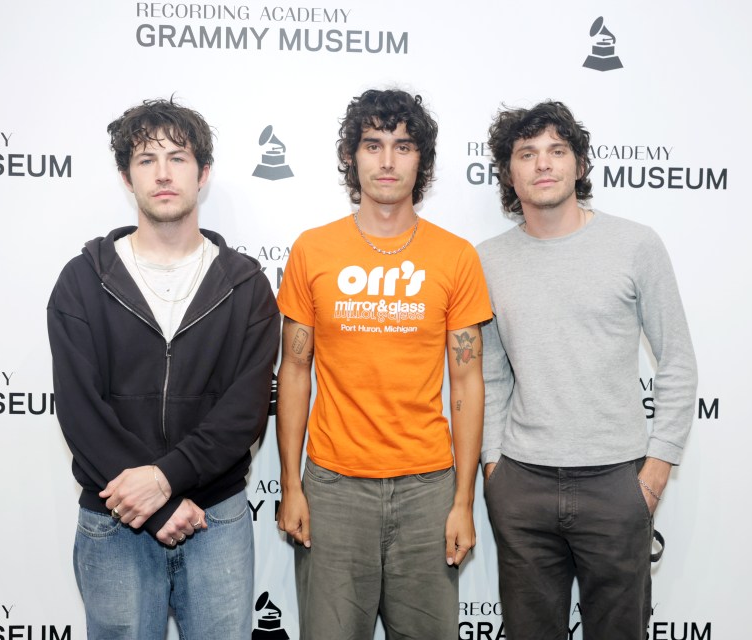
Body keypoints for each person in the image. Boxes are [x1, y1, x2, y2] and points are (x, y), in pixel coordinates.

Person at [47, 97, 279, 639]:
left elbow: (244, 412)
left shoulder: (245, 285)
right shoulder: (82, 281)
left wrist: (165, 481)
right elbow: (81, 413)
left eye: (178, 157)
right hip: (114, 517)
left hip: (214, 517)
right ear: (127, 178)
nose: (164, 173)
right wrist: (152, 503)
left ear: (204, 174)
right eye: (146, 160)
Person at [275, 88, 492, 639]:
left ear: (423, 160)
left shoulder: (456, 256)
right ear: (352, 156)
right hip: (333, 487)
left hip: (428, 491)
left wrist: (464, 500)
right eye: (373, 145)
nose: (388, 161)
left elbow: (467, 381)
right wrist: (291, 484)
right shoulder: (313, 250)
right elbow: (294, 372)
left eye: (403, 146)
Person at [478, 101, 698, 640]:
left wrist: (655, 472)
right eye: (527, 154)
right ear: (510, 172)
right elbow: (490, 375)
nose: (543, 164)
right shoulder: (485, 260)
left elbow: (677, 361)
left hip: (617, 483)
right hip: (521, 486)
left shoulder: (635, 244)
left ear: (579, 164)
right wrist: (492, 465)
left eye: (557, 150)